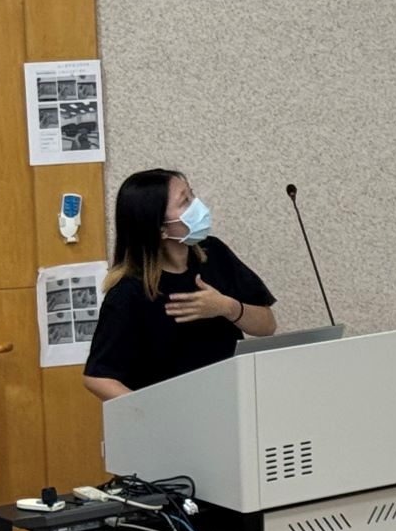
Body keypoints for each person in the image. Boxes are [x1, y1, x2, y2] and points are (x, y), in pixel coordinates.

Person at [82, 168, 277, 400]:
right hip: (173, 413)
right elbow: (98, 378)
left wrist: (227, 307)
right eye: (185, 201)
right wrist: (153, 412)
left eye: (191, 194)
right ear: (161, 229)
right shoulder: (128, 292)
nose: (197, 205)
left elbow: (267, 326)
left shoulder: (213, 253)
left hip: (230, 402)